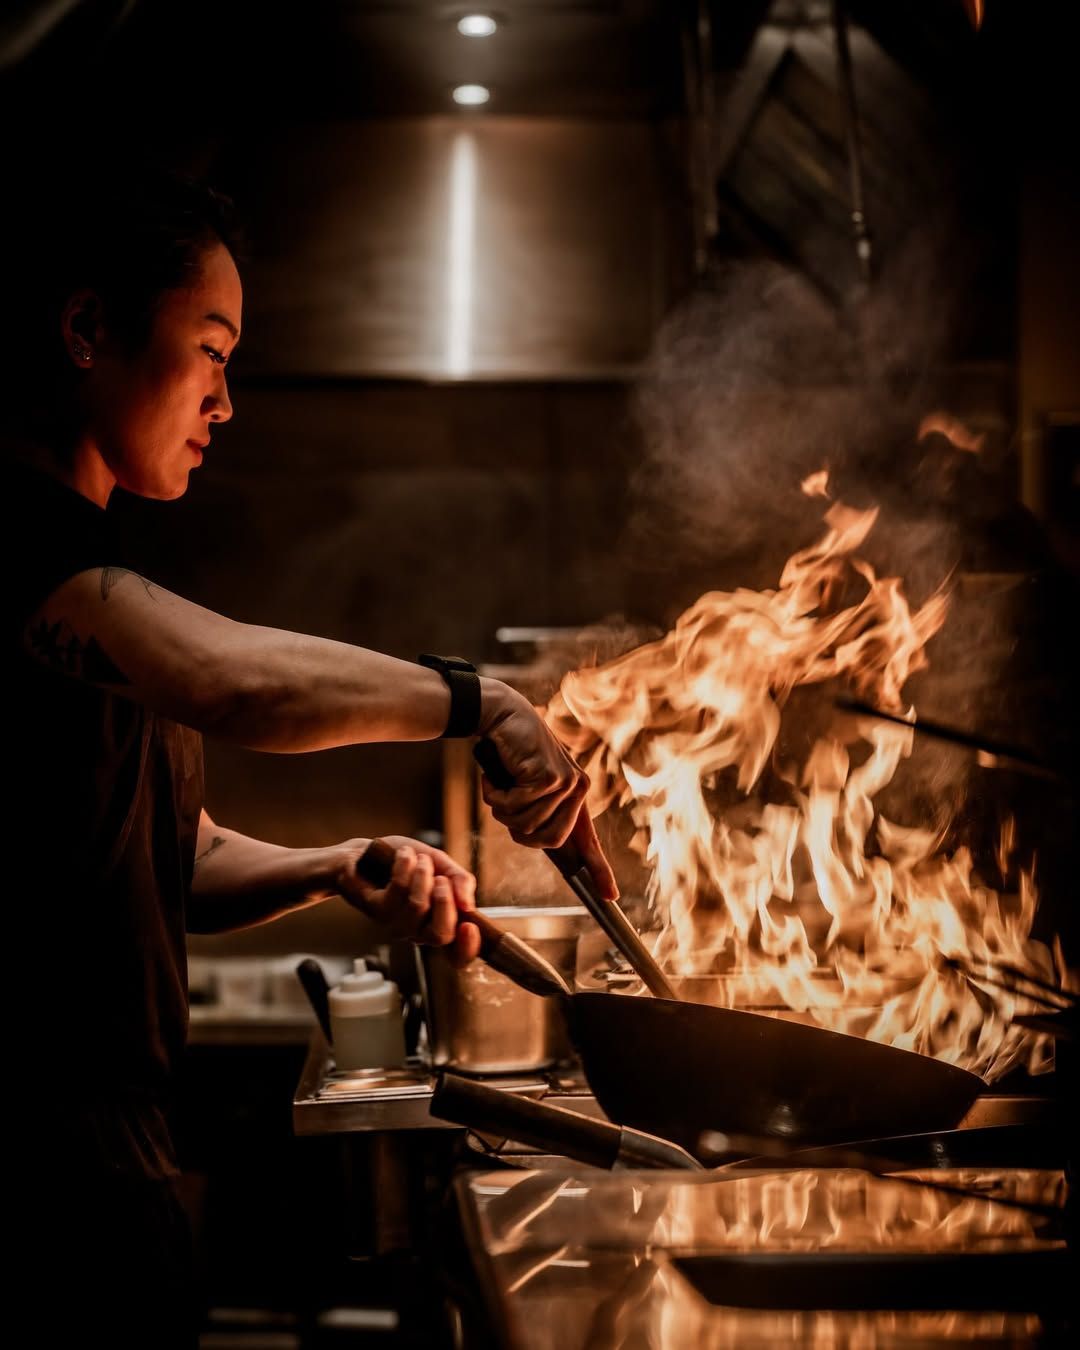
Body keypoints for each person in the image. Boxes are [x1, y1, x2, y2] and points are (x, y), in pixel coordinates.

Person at [2, 154, 617, 1346]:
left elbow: (168, 856)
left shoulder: (96, 588)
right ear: (88, 328)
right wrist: (479, 703)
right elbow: (234, 682)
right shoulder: (7, 542)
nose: (226, 403)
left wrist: (334, 865)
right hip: (28, 1203)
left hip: (113, 1180)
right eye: (214, 351)